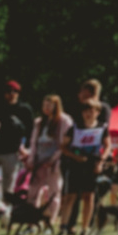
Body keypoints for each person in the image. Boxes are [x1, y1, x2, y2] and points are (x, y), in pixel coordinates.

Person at [61, 81, 108, 235]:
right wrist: (75, 156)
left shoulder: (102, 127)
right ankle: (64, 226)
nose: (88, 113)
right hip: (75, 164)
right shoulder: (74, 127)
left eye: (92, 111)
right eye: (86, 111)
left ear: (97, 112)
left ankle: (85, 227)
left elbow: (108, 146)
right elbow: (63, 146)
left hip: (92, 165)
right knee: (71, 196)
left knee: (89, 196)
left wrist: (101, 162)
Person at [0, 81, 36, 212]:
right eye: (8, 92)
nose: (11, 94)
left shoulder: (24, 109)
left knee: (9, 186)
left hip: (13, 151)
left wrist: (27, 148)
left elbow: (30, 131)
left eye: (15, 92)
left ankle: (6, 212)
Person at [20, 93, 70, 227]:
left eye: (50, 105)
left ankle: (51, 221)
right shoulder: (39, 122)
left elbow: (64, 144)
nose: (47, 108)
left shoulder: (64, 121)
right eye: (44, 105)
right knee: (32, 192)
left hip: (54, 162)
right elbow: (33, 142)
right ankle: (31, 221)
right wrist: (31, 159)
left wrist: (54, 159)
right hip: (38, 162)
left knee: (54, 192)